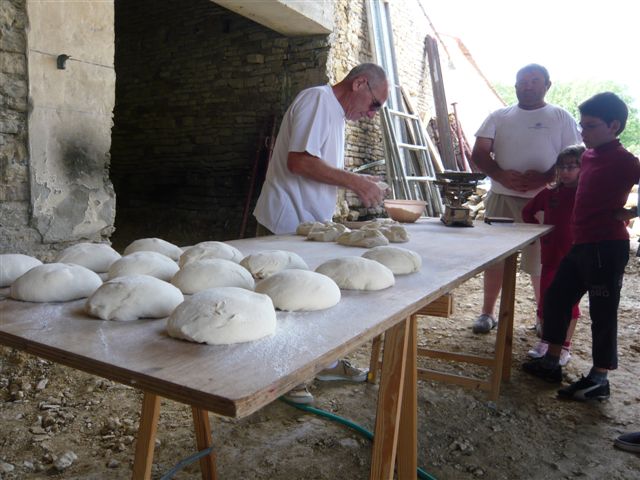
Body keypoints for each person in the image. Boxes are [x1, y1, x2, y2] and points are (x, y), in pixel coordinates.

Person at [253, 63, 389, 404]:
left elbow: (318, 165)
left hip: (307, 224)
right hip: (285, 222)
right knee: (284, 303)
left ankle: (323, 363)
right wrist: (354, 181)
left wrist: (357, 179)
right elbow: (299, 162)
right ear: (360, 84)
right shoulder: (317, 101)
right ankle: (284, 379)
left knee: (312, 300)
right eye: (376, 104)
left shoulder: (335, 115)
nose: (372, 115)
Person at [522, 92, 640, 403]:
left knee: (603, 314)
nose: (583, 132)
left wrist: (631, 213)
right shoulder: (587, 156)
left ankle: (599, 379)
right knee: (556, 298)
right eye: (581, 125)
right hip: (581, 244)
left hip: (607, 246)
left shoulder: (626, 161)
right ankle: (551, 361)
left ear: (613, 125)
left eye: (590, 126)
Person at [470, 64, 581, 334]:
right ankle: (487, 313)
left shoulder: (560, 116)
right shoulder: (499, 116)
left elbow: (575, 155)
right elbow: (480, 152)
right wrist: (499, 174)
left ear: (547, 85)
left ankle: (542, 316)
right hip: (501, 198)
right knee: (494, 258)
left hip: (545, 202)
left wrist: (544, 178)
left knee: (542, 262)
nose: (528, 85)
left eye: (534, 80)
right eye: (523, 81)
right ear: (516, 85)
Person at [522, 145, 585, 366]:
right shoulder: (550, 193)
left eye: (571, 166)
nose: (566, 171)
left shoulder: (587, 194)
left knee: (569, 305)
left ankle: (565, 347)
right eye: (562, 167)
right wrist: (535, 234)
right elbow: (527, 211)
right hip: (550, 256)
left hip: (576, 259)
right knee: (546, 302)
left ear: (583, 168)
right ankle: (545, 342)